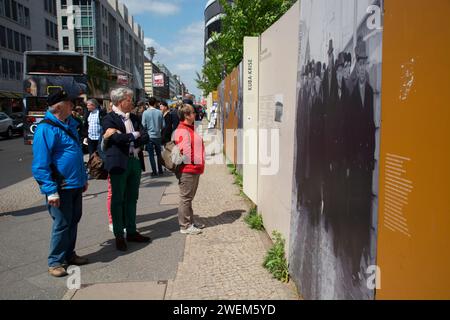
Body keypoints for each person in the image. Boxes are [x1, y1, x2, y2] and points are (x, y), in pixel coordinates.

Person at [31, 90, 89, 277]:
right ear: (58, 106)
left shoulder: (70, 124)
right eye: (69, 102)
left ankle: (69, 254)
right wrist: (50, 191)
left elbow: (76, 155)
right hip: (60, 185)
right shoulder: (45, 129)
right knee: (62, 223)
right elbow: (40, 164)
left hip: (74, 183)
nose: (73, 105)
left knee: (73, 220)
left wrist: (83, 179)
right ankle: (55, 261)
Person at [102, 88, 151, 251]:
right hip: (118, 164)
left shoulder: (135, 117)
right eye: (129, 100)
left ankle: (131, 230)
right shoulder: (108, 118)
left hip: (134, 161)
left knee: (132, 198)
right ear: (120, 101)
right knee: (117, 200)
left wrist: (131, 137)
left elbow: (146, 136)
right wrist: (134, 136)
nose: (132, 102)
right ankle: (118, 234)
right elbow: (116, 139)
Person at [173, 104, 206, 235]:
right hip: (188, 169)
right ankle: (185, 226)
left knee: (189, 198)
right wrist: (197, 161)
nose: (195, 114)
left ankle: (190, 222)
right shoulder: (182, 130)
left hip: (194, 168)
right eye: (192, 112)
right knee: (185, 198)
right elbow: (186, 151)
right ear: (186, 115)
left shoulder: (189, 128)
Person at [141, 97, 165, 176]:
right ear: (155, 103)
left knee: (151, 155)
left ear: (148, 103)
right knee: (159, 154)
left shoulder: (145, 113)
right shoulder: (159, 112)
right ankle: (160, 170)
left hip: (149, 136)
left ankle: (154, 171)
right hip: (158, 136)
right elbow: (163, 125)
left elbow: (143, 125)